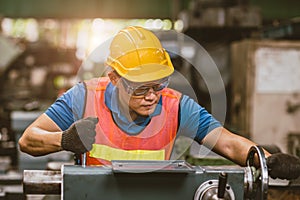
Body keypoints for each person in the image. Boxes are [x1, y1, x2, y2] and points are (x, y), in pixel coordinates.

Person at [19, 26, 300, 180]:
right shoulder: (83, 98)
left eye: (158, 84)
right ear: (115, 78)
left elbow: (227, 143)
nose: (152, 95)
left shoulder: (176, 106)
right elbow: (28, 140)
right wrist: (65, 139)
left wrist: (266, 159)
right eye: (140, 88)